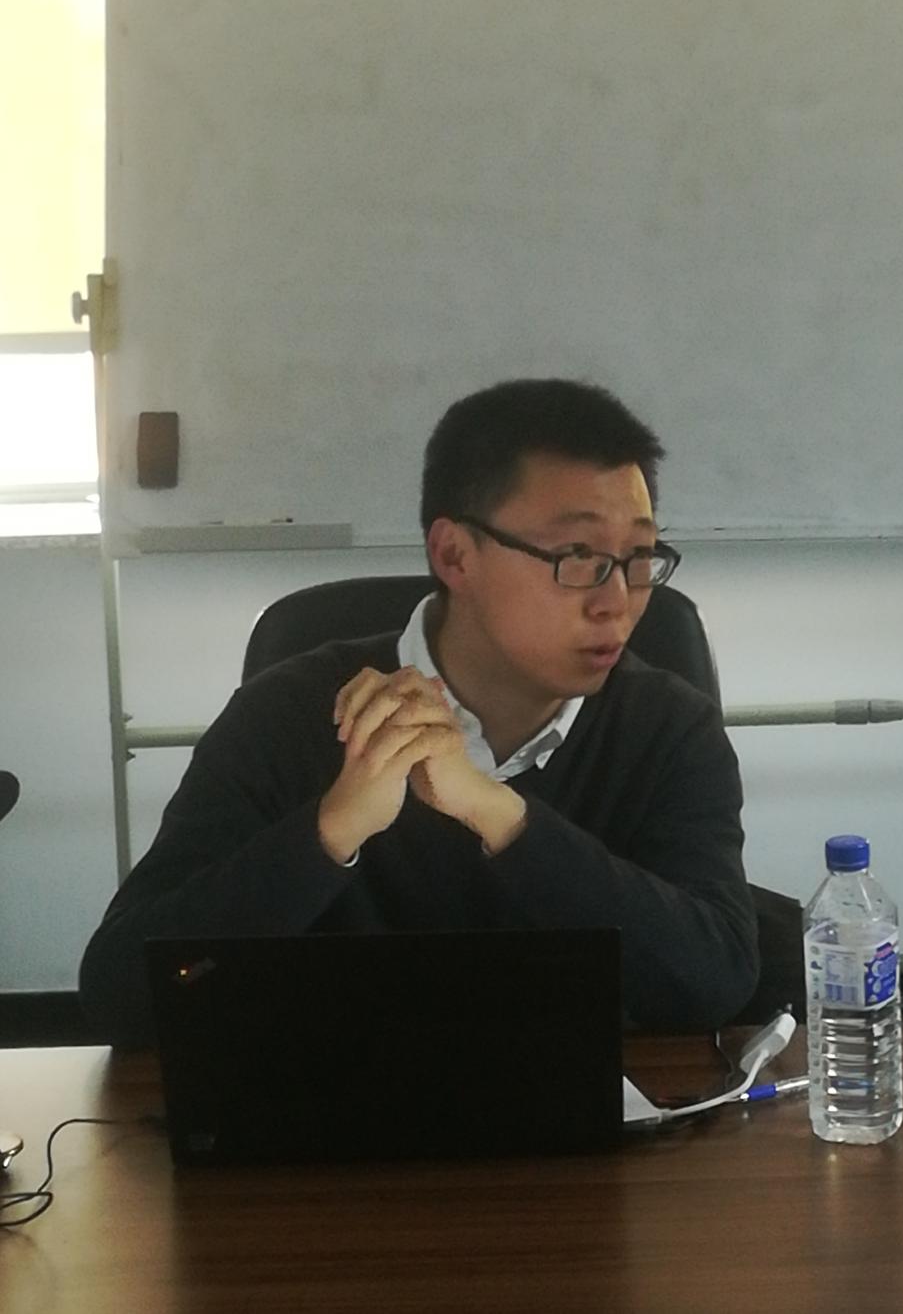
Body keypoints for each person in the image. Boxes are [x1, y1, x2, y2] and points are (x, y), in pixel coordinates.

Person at [79, 378, 759, 1045]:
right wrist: (330, 831)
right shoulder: (285, 716)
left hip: (597, 1114)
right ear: (455, 554)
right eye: (578, 556)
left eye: (638, 556)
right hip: (328, 1108)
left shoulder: (671, 728)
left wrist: (501, 816)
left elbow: (715, 979)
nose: (617, 601)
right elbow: (121, 996)